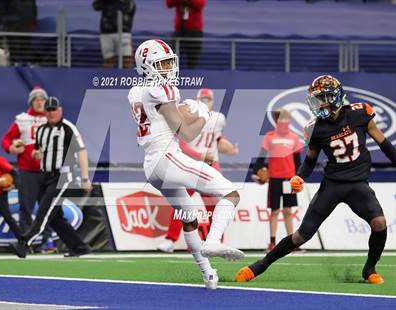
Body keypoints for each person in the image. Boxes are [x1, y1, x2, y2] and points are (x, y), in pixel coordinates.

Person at [235, 75, 396, 285]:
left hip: (358, 185)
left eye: (322, 98)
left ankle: (369, 269)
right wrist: (299, 176)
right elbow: (310, 160)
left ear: (335, 97)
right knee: (301, 236)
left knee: (379, 223)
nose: (318, 103)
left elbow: (384, 144)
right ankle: (258, 266)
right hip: (332, 185)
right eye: (316, 99)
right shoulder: (315, 128)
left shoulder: (360, 114)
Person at [128, 39, 244, 290]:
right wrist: (203, 116)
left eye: (170, 62)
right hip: (168, 158)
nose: (169, 68)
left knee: (189, 215)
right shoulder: (160, 89)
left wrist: (189, 110)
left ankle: (207, 274)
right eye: (162, 63)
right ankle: (212, 239)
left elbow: (167, 115)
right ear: (147, 65)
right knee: (231, 193)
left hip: (152, 165)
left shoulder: (136, 91)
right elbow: (188, 133)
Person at [10, 97, 93, 258]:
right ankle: (79, 247)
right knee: (55, 218)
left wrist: (84, 178)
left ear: (60, 110)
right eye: (48, 110)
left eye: (54, 109)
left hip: (63, 177)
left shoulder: (68, 128)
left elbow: (82, 151)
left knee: (44, 213)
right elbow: (38, 151)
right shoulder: (41, 130)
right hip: (45, 177)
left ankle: (24, 243)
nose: (51, 113)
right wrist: (36, 154)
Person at [158, 88, 239, 253]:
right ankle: (170, 240)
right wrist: (199, 155)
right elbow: (180, 141)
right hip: (189, 165)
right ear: (196, 100)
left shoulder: (218, 118)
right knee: (180, 203)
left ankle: (216, 240)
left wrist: (228, 148)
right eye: (202, 98)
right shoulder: (189, 114)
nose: (205, 101)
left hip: (209, 165)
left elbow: (216, 140)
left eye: (208, 99)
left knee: (213, 206)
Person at [1, 87, 56, 253]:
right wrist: (11, 148)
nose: (40, 102)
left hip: (47, 170)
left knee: (47, 208)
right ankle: (26, 244)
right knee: (26, 207)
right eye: (36, 99)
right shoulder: (22, 119)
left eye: (42, 99)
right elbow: (6, 139)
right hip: (27, 170)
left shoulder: (51, 118)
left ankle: (48, 242)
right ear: (31, 102)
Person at [251, 108, 302, 252]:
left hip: (289, 179)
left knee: (288, 211)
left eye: (286, 118)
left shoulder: (294, 137)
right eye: (281, 118)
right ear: (276, 120)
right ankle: (272, 243)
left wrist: (299, 176)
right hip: (274, 179)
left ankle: (292, 243)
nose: (284, 121)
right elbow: (261, 157)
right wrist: (255, 172)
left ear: (289, 121)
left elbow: (298, 161)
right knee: (274, 211)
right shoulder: (269, 136)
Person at [93, 0, 136, 68]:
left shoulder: (129, 2)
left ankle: (127, 77)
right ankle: (108, 78)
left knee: (126, 59)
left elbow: (125, 8)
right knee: (109, 59)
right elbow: (96, 6)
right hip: (106, 33)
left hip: (123, 33)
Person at [166, 0, 205, 69]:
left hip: (194, 32)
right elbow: (169, 3)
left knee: (193, 61)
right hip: (179, 30)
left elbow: (200, 5)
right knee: (172, 58)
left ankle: (192, 77)